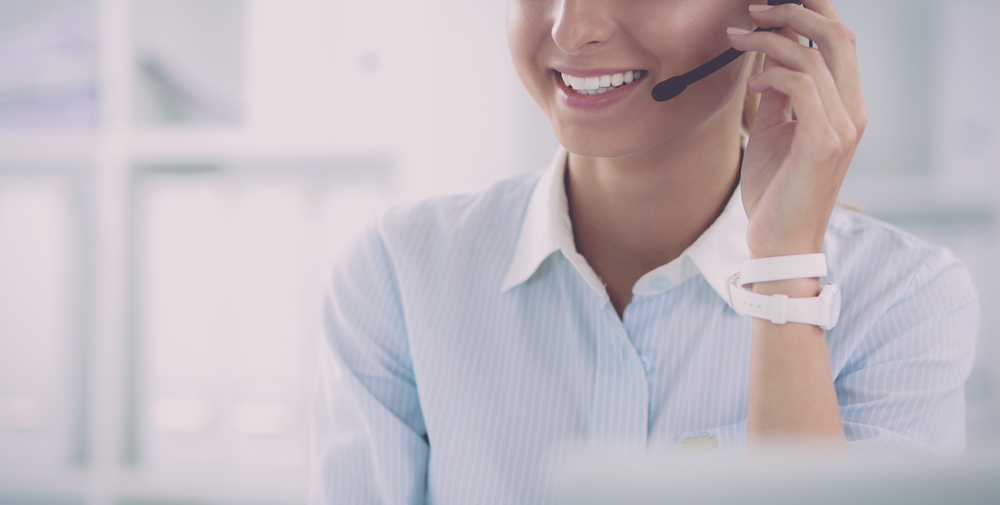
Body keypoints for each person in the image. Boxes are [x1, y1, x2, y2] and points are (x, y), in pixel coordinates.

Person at [310, 1, 979, 503]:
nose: (573, 30)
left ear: (777, 17)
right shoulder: (399, 274)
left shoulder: (906, 302)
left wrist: (782, 271)